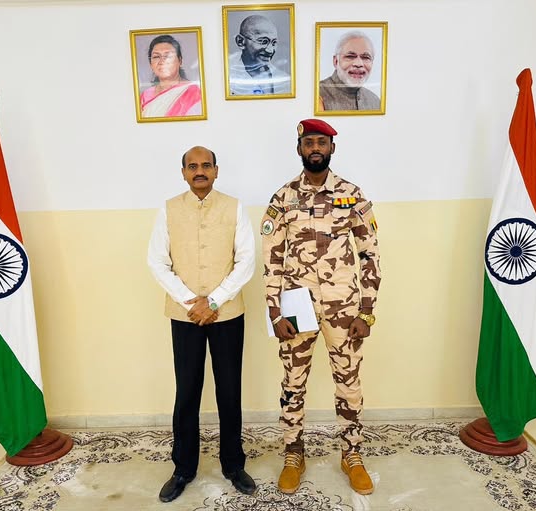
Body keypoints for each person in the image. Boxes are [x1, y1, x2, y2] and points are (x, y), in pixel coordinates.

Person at [261, 119, 381, 495]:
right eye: (309, 142)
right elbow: (271, 259)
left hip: (344, 308)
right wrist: (274, 311)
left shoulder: (352, 195)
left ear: (332, 148)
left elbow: (370, 255)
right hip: (296, 308)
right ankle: (293, 453)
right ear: (299, 149)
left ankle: (352, 454)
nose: (315, 148)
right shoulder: (283, 198)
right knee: (293, 383)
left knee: (349, 382)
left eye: (322, 142)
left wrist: (366, 310)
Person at [148, 146, 256, 502]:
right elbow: (157, 262)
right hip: (185, 315)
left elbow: (246, 261)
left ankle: (233, 465)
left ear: (216, 170)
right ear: (183, 173)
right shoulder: (168, 209)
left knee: (229, 390)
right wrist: (191, 302)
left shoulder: (235, 207)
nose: (199, 171)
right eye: (192, 166)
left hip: (227, 313)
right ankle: (183, 468)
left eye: (206, 165)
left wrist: (213, 301)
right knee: (187, 391)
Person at [140, 34, 202, 118]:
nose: (162, 61)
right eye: (156, 57)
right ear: (151, 64)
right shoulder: (145, 96)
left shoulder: (194, 92)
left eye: (168, 56)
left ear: (180, 61)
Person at [229, 14, 291, 96]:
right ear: (240, 42)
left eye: (274, 43)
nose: (270, 50)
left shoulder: (285, 81)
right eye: (263, 41)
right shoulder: (228, 78)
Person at [319, 31, 380, 111]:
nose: (358, 64)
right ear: (336, 61)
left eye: (366, 57)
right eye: (350, 56)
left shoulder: (375, 101)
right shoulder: (316, 94)